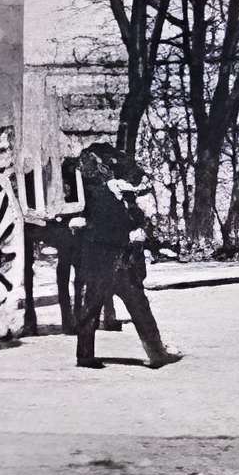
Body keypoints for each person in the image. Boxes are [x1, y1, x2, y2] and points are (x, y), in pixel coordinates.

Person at [71, 143, 177, 370]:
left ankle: (85, 356)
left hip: (98, 259)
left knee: (91, 306)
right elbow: (118, 224)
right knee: (138, 305)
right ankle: (156, 353)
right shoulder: (106, 196)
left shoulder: (96, 193)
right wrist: (135, 228)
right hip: (116, 259)